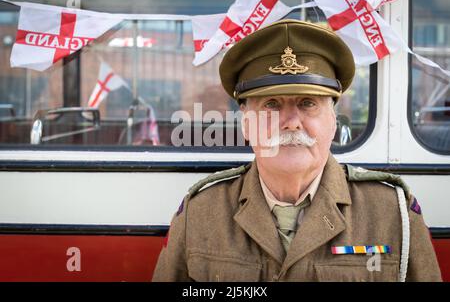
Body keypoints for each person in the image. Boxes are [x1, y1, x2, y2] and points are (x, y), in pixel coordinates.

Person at [152, 19, 442, 282]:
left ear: (332, 120)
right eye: (272, 105)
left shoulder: (392, 212)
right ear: (246, 124)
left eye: (307, 103)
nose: (291, 123)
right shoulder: (201, 212)